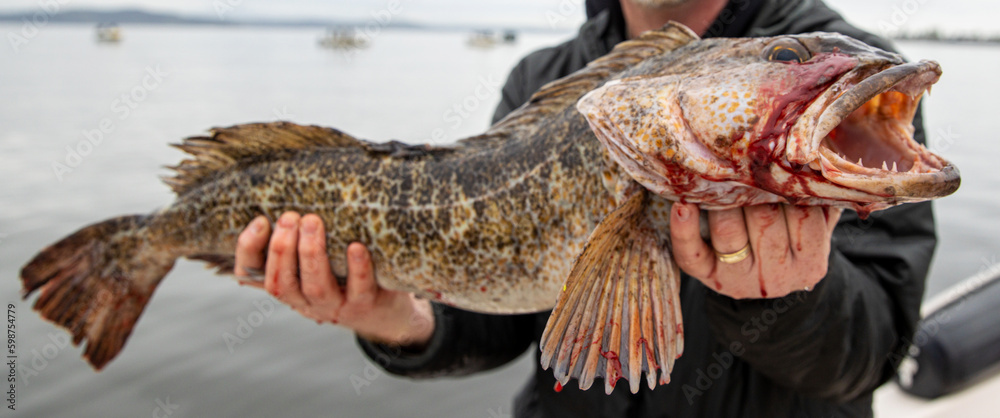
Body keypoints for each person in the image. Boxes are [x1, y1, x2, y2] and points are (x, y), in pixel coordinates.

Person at [234, 0, 937, 416]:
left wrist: (785, 300)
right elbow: (504, 320)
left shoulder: (851, 83)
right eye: (788, 59)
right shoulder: (541, 79)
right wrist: (397, 321)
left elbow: (874, 351)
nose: (800, 64)